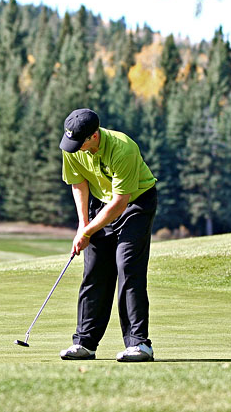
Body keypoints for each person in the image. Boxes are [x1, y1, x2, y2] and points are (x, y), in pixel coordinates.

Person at [57, 108, 158, 362]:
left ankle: (139, 344)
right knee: (94, 271)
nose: (75, 148)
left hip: (135, 203)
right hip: (101, 203)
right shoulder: (72, 148)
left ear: (94, 136)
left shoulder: (123, 148)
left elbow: (120, 202)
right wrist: (83, 225)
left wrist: (90, 230)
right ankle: (85, 343)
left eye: (80, 143)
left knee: (127, 266)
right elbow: (78, 183)